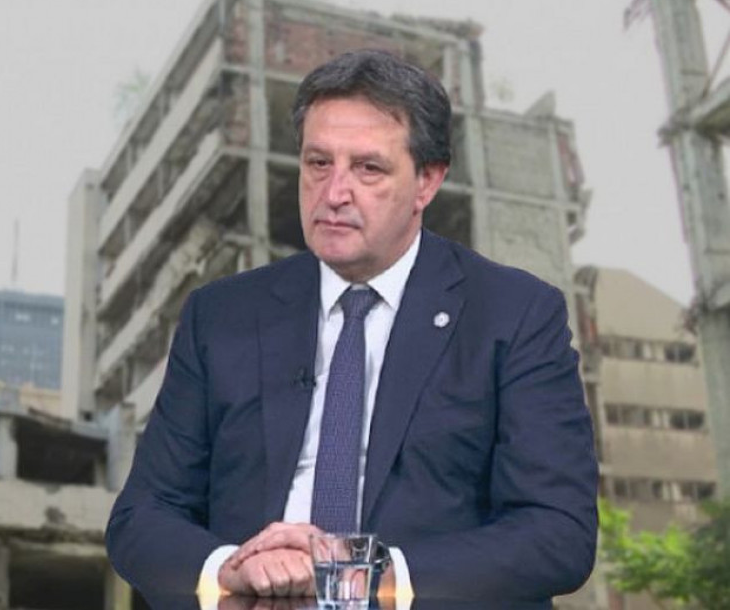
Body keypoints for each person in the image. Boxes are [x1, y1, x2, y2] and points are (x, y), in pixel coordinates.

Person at [105, 49, 598, 606]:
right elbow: (142, 517)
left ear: (427, 181)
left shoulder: (515, 314)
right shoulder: (220, 317)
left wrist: (356, 577)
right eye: (318, 163)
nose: (334, 193)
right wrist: (232, 569)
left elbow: (558, 531)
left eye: (368, 169)